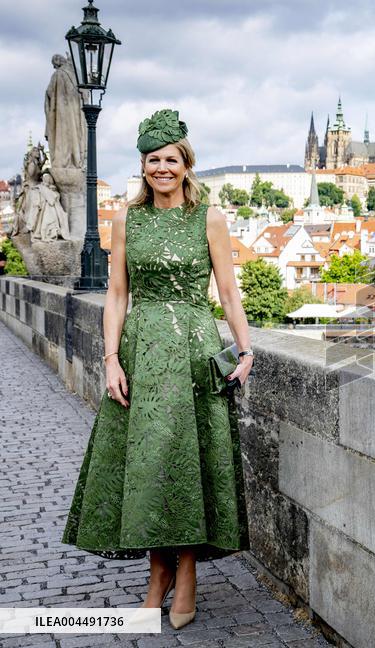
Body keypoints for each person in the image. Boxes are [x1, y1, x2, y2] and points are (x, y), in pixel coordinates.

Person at [62, 109, 253, 631]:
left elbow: (229, 292)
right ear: (143, 165)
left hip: (193, 351)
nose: (162, 168)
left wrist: (245, 348)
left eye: (171, 159)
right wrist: (109, 359)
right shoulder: (125, 220)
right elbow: (117, 294)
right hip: (142, 351)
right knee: (146, 467)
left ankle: (186, 570)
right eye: (153, 160)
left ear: (186, 164)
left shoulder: (209, 218)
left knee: (189, 463)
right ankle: (158, 574)